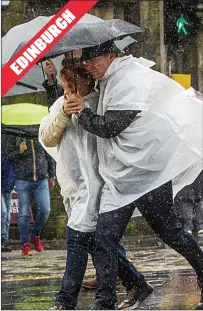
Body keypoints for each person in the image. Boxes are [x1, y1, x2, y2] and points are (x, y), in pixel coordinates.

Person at [64, 41, 203, 310]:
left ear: (111, 56)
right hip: (119, 177)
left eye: (94, 60)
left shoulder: (130, 79)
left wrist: (82, 112)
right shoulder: (108, 80)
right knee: (104, 239)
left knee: (170, 232)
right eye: (86, 61)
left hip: (147, 173)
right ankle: (105, 302)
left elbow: (110, 126)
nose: (89, 66)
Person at [39, 61, 153, 310]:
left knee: (77, 239)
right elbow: (46, 136)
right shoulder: (61, 106)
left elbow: (110, 129)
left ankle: (66, 301)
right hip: (75, 187)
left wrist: (86, 112)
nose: (67, 91)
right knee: (95, 243)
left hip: (101, 185)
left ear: (83, 82)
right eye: (64, 87)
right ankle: (136, 282)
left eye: (70, 85)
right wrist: (62, 114)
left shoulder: (101, 102)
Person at [8, 137, 56, 256]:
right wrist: (19, 151)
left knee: (45, 209)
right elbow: (8, 157)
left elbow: (49, 154)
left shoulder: (39, 134)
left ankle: (35, 235)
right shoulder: (15, 136)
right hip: (22, 179)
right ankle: (25, 243)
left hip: (41, 178)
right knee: (23, 213)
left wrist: (52, 175)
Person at [174, 171, 203, 235]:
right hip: (188, 192)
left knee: (198, 211)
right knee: (188, 212)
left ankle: (198, 226)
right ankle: (190, 227)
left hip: (196, 191)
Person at [1, 133, 16, 252]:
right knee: (4, 213)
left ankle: (4, 241)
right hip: (5, 182)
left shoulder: (9, 136)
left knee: (6, 216)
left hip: (7, 183)